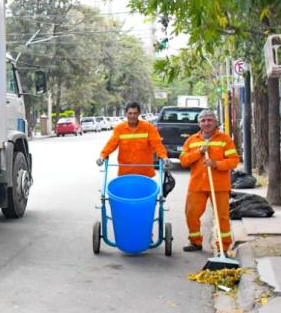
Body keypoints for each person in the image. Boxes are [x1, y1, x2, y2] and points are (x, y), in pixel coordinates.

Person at [178, 109, 240, 252]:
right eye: (203, 120)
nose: (206, 123)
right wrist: (199, 152)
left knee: (222, 217)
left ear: (215, 122)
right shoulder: (192, 140)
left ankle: (223, 247)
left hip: (219, 185)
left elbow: (234, 161)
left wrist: (216, 164)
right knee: (191, 214)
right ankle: (195, 242)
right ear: (199, 123)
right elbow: (183, 160)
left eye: (209, 120)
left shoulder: (224, 139)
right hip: (197, 184)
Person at [97, 101, 169, 177]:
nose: (132, 116)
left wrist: (164, 157)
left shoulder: (148, 127)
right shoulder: (119, 129)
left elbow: (157, 144)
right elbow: (111, 144)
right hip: (125, 173)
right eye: (130, 113)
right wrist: (102, 156)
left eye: (135, 113)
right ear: (126, 114)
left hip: (145, 173)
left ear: (139, 114)